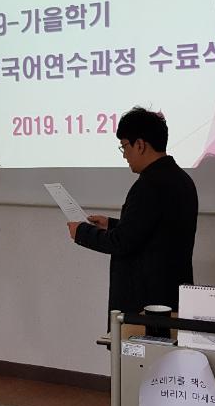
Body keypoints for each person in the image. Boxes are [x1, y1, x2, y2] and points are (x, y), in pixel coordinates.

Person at [68, 106, 198, 321]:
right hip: (171, 295)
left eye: (124, 146)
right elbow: (155, 230)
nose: (124, 155)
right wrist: (110, 224)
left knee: (139, 344)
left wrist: (81, 232)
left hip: (145, 303)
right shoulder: (182, 179)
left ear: (140, 144)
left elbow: (122, 242)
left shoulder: (149, 184)